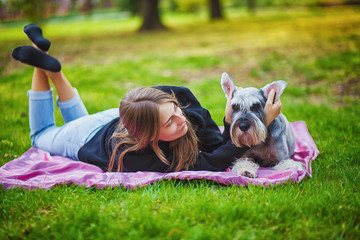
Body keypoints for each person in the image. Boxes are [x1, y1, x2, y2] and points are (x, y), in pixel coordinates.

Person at [11, 24, 282, 173]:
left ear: (172, 100)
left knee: (80, 121)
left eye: (175, 110)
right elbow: (212, 161)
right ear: (149, 138)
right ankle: (43, 63)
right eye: (170, 123)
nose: (181, 120)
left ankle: (51, 67)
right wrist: (263, 126)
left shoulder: (182, 103)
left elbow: (215, 145)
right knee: (41, 135)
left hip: (118, 119)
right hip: (85, 138)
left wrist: (228, 118)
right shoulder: (137, 158)